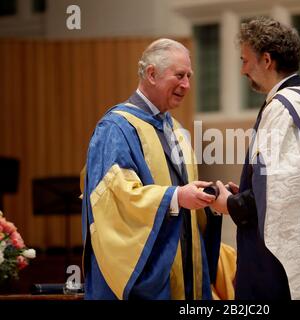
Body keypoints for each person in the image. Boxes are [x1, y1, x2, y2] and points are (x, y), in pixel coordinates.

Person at [210, 17, 300, 299]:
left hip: (281, 266)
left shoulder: (283, 109)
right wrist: (249, 194)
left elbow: (278, 198)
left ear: (266, 60)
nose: (242, 70)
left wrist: (229, 203)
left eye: (245, 60)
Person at [81, 38, 223, 300]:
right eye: (179, 75)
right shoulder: (116, 129)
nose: (187, 85)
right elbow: (117, 201)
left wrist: (209, 198)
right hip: (147, 277)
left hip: (184, 270)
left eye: (189, 76)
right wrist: (176, 197)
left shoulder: (177, 131)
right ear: (151, 74)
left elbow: (188, 209)